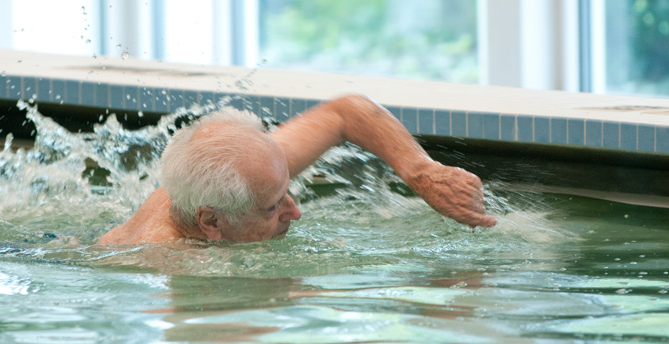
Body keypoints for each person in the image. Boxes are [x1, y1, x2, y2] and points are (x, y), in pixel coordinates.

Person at [97, 94, 497, 245]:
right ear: (211, 222)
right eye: (273, 208)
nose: (295, 210)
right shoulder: (175, 265)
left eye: (284, 193)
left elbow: (345, 113)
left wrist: (420, 171)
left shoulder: (239, 169)